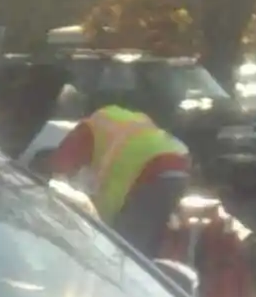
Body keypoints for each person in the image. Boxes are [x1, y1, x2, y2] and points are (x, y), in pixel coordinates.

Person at [46, 101, 191, 255]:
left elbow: (58, 172)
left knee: (126, 246)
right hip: (178, 159)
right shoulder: (111, 121)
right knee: (156, 238)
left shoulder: (86, 132)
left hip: (154, 169)